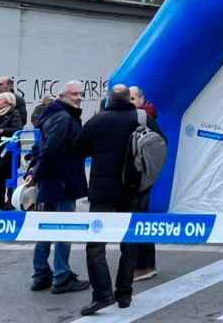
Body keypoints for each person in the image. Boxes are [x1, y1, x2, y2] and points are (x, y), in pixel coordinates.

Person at [74, 84, 142, 316]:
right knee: (129, 243)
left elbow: (77, 150)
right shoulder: (141, 118)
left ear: (109, 99)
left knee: (95, 245)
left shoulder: (97, 121)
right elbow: (159, 147)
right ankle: (124, 293)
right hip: (131, 190)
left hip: (102, 192)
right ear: (128, 99)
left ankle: (102, 295)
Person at [27, 81, 89, 295]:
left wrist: (35, 171)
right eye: (74, 94)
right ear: (63, 95)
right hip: (62, 180)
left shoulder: (55, 115)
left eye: (80, 93)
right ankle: (61, 275)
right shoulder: (64, 118)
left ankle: (41, 273)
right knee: (63, 228)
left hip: (52, 180)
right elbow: (51, 148)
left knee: (45, 228)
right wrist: (36, 173)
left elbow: (42, 146)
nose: (79, 97)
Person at [129, 85, 159, 282]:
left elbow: (159, 146)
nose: (130, 102)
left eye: (132, 98)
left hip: (141, 177)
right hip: (136, 176)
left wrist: (147, 170)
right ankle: (142, 263)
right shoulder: (138, 117)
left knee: (140, 220)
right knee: (137, 219)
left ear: (141, 99)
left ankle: (145, 265)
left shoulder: (145, 118)